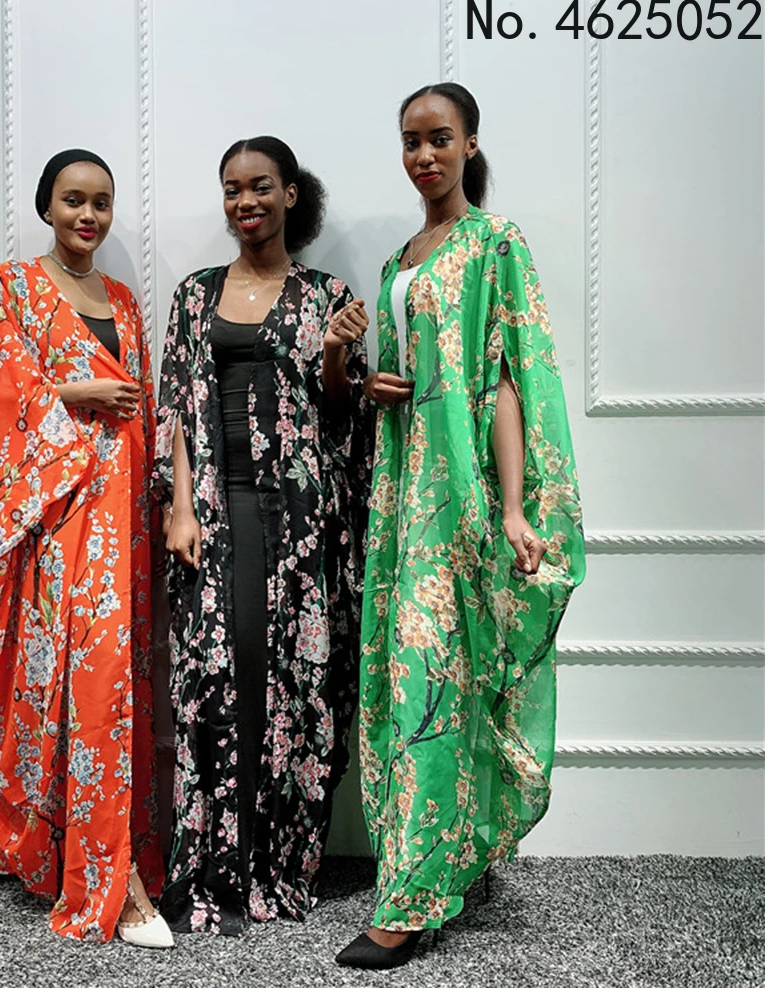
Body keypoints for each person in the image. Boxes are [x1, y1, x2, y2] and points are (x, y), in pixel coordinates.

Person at [336, 85, 586, 969]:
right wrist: (374, 383)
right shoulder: (399, 259)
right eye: (411, 141)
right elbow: (409, 371)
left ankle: (410, 904)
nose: (424, 156)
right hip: (401, 494)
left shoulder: (494, 243)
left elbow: (510, 377)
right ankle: (432, 867)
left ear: (470, 143)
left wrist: (513, 507)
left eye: (439, 138)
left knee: (434, 679)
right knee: (405, 679)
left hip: (462, 499)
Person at [0, 149, 171, 948]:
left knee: (115, 687)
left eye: (101, 203)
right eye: (74, 200)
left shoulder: (123, 301)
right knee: (77, 686)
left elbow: (146, 407)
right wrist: (79, 393)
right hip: (57, 523)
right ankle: (111, 881)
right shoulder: (11, 287)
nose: (88, 216)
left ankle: (106, 855)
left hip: (125, 519)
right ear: (47, 206)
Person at [154, 136, 373, 934]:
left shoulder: (326, 295)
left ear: (290, 194)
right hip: (216, 510)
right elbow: (176, 407)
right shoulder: (194, 295)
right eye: (232, 189)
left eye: (259, 187)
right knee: (218, 679)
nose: (244, 202)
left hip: (299, 520)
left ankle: (277, 863)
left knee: (288, 681)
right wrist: (180, 507)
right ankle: (216, 862)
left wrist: (339, 353)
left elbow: (342, 418)